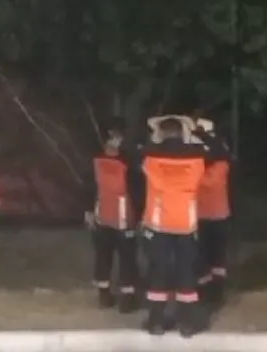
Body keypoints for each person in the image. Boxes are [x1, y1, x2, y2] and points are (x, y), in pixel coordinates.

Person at [140, 117, 207, 337]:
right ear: (182, 133)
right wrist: (199, 132)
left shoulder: (150, 155)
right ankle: (186, 324)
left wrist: (152, 132)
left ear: (161, 133)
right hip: (186, 224)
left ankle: (156, 322)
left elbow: (130, 147)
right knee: (185, 271)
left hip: (158, 223)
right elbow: (218, 151)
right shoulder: (197, 157)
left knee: (159, 270)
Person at [83, 117, 144, 313]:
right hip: (123, 217)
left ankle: (105, 295)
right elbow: (138, 190)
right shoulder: (129, 162)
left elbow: (88, 186)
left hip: (103, 215)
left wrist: (88, 210)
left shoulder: (95, 159)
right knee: (126, 258)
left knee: (103, 257)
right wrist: (142, 215)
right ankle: (127, 298)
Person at [193, 122, 232, 310]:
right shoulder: (219, 157)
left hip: (213, 215)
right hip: (207, 215)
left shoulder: (219, 162)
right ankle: (208, 290)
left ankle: (214, 291)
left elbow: (207, 183)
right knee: (205, 256)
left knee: (215, 257)